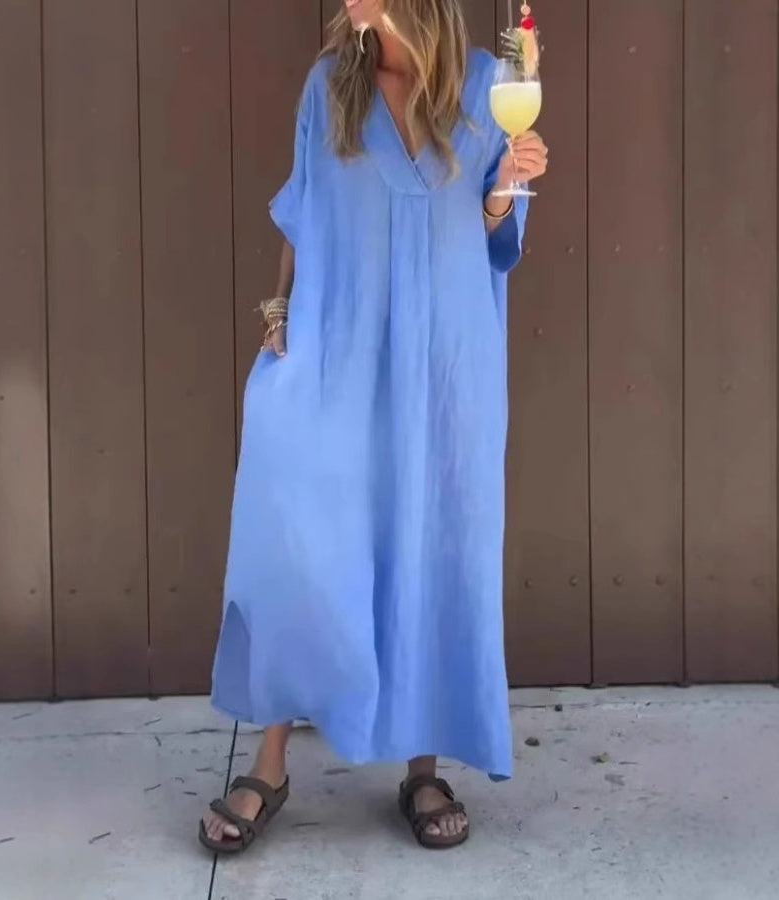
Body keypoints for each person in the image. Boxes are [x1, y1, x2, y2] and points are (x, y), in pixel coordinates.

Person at [199, 0, 547, 853]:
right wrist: (279, 308)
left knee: (432, 546)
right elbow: (303, 213)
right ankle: (270, 762)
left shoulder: (489, 87)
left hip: (444, 366)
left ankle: (423, 768)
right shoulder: (333, 87)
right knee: (296, 542)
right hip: (338, 349)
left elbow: (494, 231)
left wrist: (509, 185)